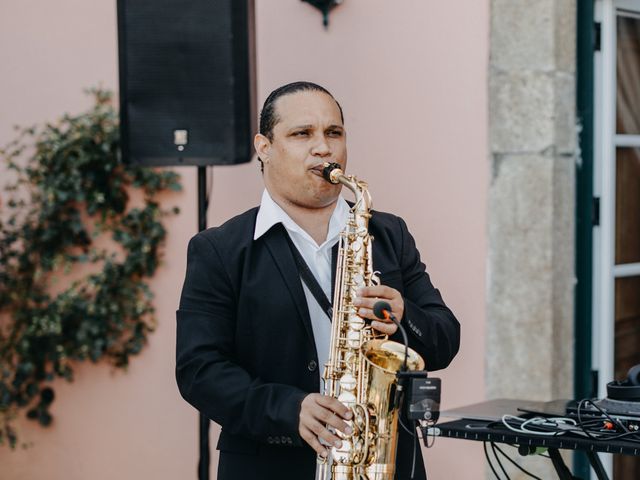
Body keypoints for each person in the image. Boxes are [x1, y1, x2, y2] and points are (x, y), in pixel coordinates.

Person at [176, 81, 460, 480]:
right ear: (264, 147)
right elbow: (199, 370)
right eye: (301, 134)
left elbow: (445, 337)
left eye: (333, 133)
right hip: (269, 467)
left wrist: (403, 314)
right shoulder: (220, 249)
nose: (323, 147)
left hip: (383, 463)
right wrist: (290, 409)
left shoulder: (388, 234)